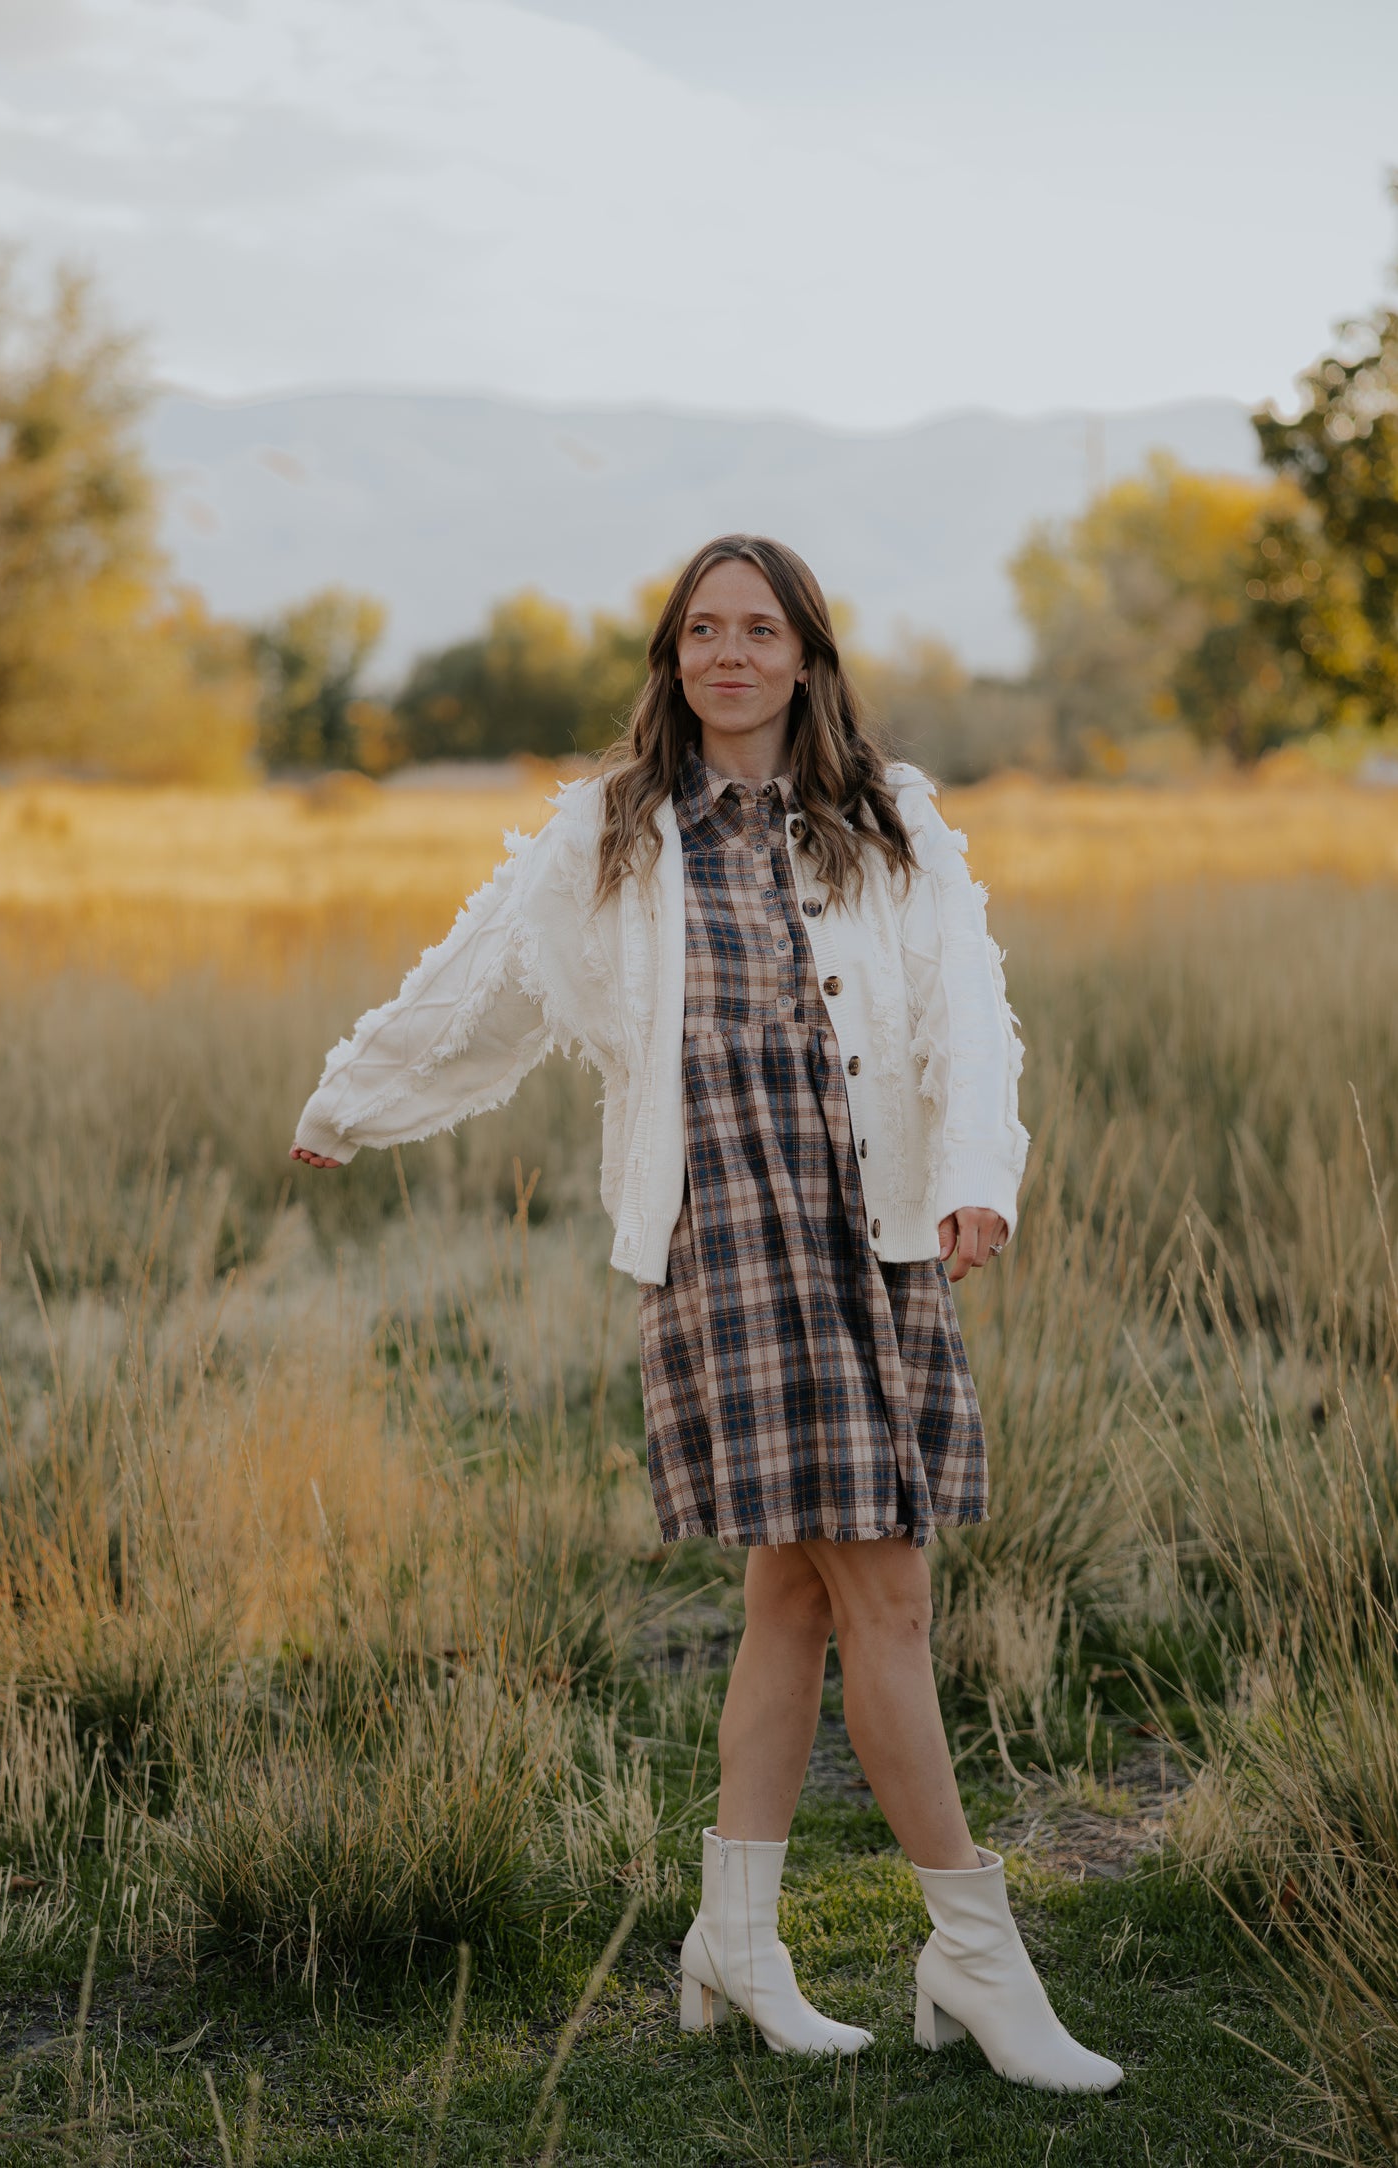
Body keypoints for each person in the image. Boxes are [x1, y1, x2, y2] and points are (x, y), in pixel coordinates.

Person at [290, 534, 1121, 2093]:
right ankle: (976, 1954)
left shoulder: (890, 818)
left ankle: (735, 1949)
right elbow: (481, 983)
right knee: (882, 1599)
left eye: (758, 629)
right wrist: (354, 1099)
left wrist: (978, 1174)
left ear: (805, 654)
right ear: (672, 657)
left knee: (799, 1603)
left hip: (867, 1230)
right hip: (723, 1237)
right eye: (699, 631)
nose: (726, 653)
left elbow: (969, 1009)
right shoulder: (606, 830)